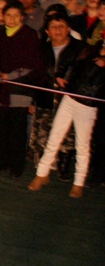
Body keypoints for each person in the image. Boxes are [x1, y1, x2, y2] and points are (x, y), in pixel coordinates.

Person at [29, 42, 105, 198]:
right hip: (70, 98)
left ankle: (78, 182)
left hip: (88, 105)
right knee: (54, 136)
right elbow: (70, 62)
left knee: (82, 144)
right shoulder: (90, 50)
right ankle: (42, 173)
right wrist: (60, 75)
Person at [0, 0, 44, 177]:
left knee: (17, 131)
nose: (11, 19)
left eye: (15, 15)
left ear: (22, 17)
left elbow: (32, 65)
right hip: (1, 89)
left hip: (20, 89)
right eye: (8, 15)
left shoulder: (29, 35)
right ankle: (0, 162)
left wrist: (10, 76)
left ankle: (16, 167)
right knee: (1, 129)